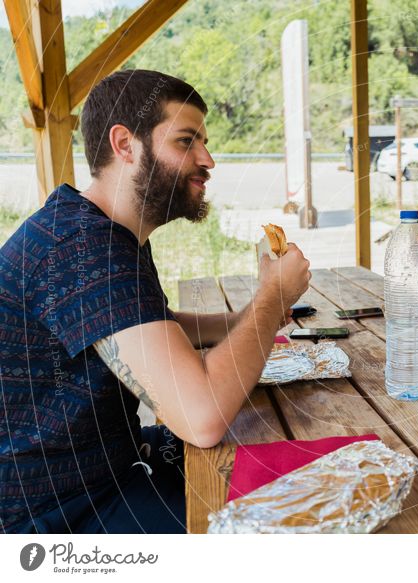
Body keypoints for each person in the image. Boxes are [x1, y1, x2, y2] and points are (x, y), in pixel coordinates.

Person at [0, 70, 311, 533]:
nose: (207, 159)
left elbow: (149, 325)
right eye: (186, 141)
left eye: (204, 141)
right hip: (55, 511)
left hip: (109, 461)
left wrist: (242, 319)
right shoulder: (84, 248)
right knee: (286, 525)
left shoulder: (100, 230)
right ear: (125, 144)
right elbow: (200, 417)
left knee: (291, 463)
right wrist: (272, 297)